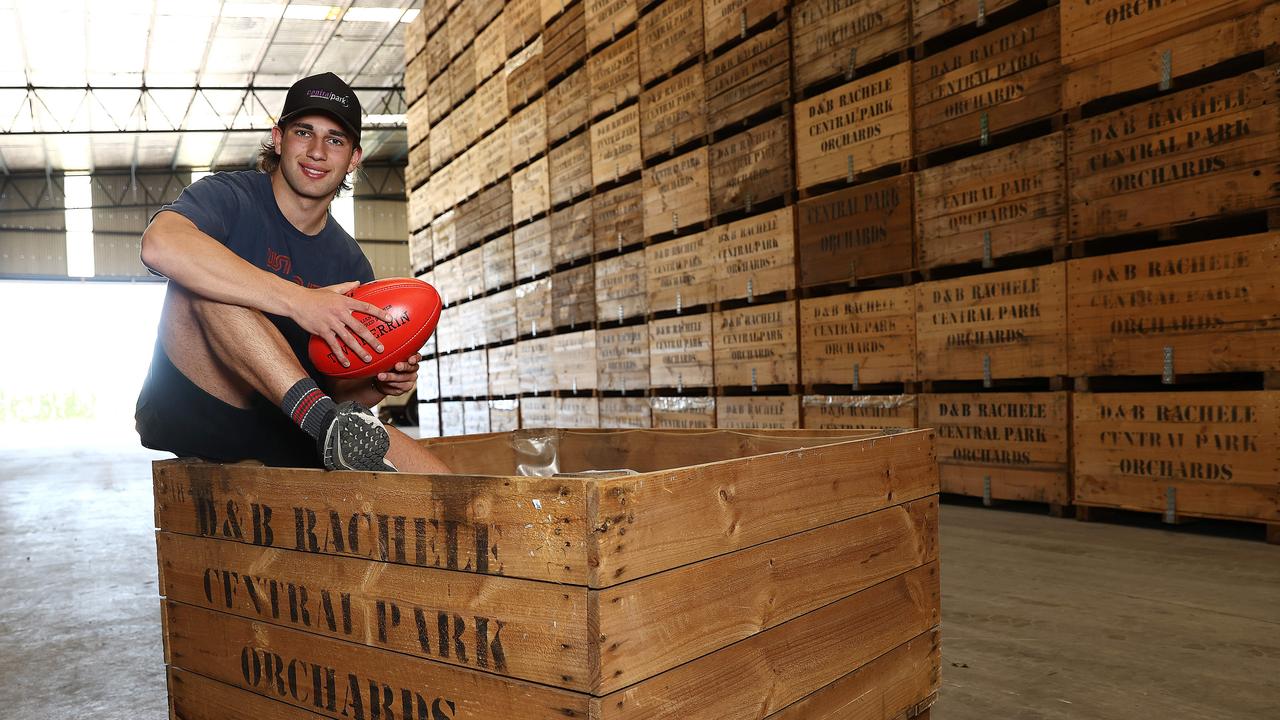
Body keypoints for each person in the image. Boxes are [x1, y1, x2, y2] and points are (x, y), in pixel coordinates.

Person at [135, 72, 449, 473]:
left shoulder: (350, 263)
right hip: (198, 410)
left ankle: (325, 428)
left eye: (335, 140)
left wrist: (378, 382)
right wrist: (301, 302)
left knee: (445, 484)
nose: (317, 151)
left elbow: (340, 389)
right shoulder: (230, 196)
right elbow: (160, 245)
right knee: (207, 282)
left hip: (290, 426)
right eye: (304, 132)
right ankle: (324, 426)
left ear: (353, 158)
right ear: (279, 139)